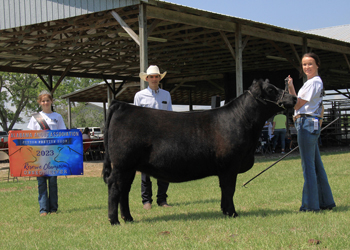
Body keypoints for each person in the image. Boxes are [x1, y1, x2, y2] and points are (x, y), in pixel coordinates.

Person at [287, 52, 336, 212]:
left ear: (317, 65)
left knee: (308, 166)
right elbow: (299, 102)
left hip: (306, 123)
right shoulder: (313, 83)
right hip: (310, 122)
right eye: (304, 64)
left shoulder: (313, 83)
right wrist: (291, 87)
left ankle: (310, 205)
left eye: (310, 64)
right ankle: (326, 201)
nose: (306, 67)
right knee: (316, 165)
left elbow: (297, 105)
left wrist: (287, 100)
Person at [134, 65, 173, 210]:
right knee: (145, 171)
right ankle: (146, 201)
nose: (154, 79)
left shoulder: (166, 95)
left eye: (157, 76)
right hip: (146, 138)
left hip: (163, 138)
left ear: (159, 78)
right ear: (147, 79)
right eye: (152, 77)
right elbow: (136, 119)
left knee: (164, 169)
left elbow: (170, 115)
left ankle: (162, 200)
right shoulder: (139, 96)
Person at [27, 90, 67, 216]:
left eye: (47, 100)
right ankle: (43, 209)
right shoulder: (35, 118)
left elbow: (63, 134)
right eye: (43, 101)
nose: (45, 102)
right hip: (39, 154)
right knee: (41, 182)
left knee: (53, 182)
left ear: (51, 101)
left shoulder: (58, 117)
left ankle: (53, 209)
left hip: (53, 154)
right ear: (40, 102)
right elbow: (30, 136)